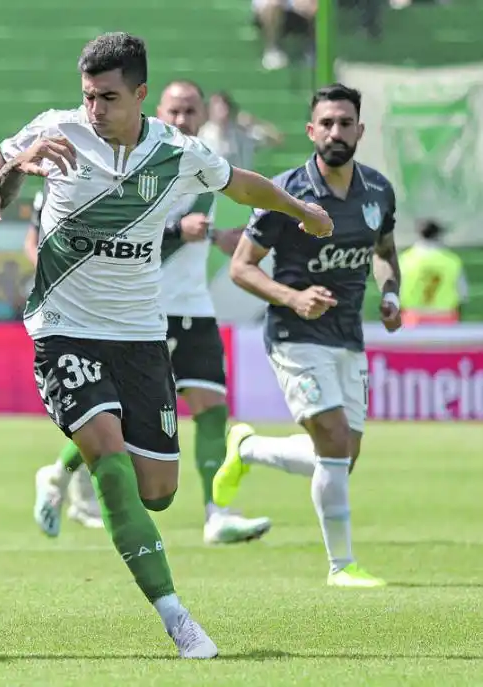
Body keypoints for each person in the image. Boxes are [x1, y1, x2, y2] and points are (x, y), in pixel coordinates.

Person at [0, 32, 333, 658]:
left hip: (140, 335)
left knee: (157, 492)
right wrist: (8, 167)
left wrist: (300, 209)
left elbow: (241, 185)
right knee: (109, 459)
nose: (94, 111)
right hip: (62, 327)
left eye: (108, 98)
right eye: (87, 96)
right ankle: (177, 619)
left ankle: (59, 480)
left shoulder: (176, 152)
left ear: (140, 96)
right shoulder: (57, 130)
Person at [214, 83, 400, 588]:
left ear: (360, 130)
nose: (336, 131)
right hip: (295, 334)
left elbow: (383, 252)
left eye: (346, 122)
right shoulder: (286, 193)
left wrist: (391, 296)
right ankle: (342, 566)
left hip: (348, 336)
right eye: (327, 123)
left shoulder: (378, 192)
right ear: (311, 130)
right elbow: (241, 268)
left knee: (342, 457)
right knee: (336, 443)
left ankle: (248, 449)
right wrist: (293, 298)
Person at [153, 80, 272, 545]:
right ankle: (61, 474)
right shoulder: (136, 163)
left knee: (212, 409)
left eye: (190, 112)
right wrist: (176, 230)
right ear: (157, 110)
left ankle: (215, 514)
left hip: (194, 307)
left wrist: (221, 235)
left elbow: (201, 226)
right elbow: (119, 235)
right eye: (175, 111)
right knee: (121, 416)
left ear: (203, 116)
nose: (182, 120)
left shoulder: (207, 165)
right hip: (143, 309)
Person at [24, 184, 105, 533]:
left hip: (125, 307)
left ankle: (61, 480)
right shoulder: (60, 187)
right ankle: (72, 490)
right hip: (75, 312)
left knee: (112, 412)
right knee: (102, 409)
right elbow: (32, 243)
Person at [398, 219, 467, 326]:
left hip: (412, 320)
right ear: (438, 236)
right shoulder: (452, 261)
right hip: (446, 319)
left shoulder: (405, 260)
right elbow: (462, 294)